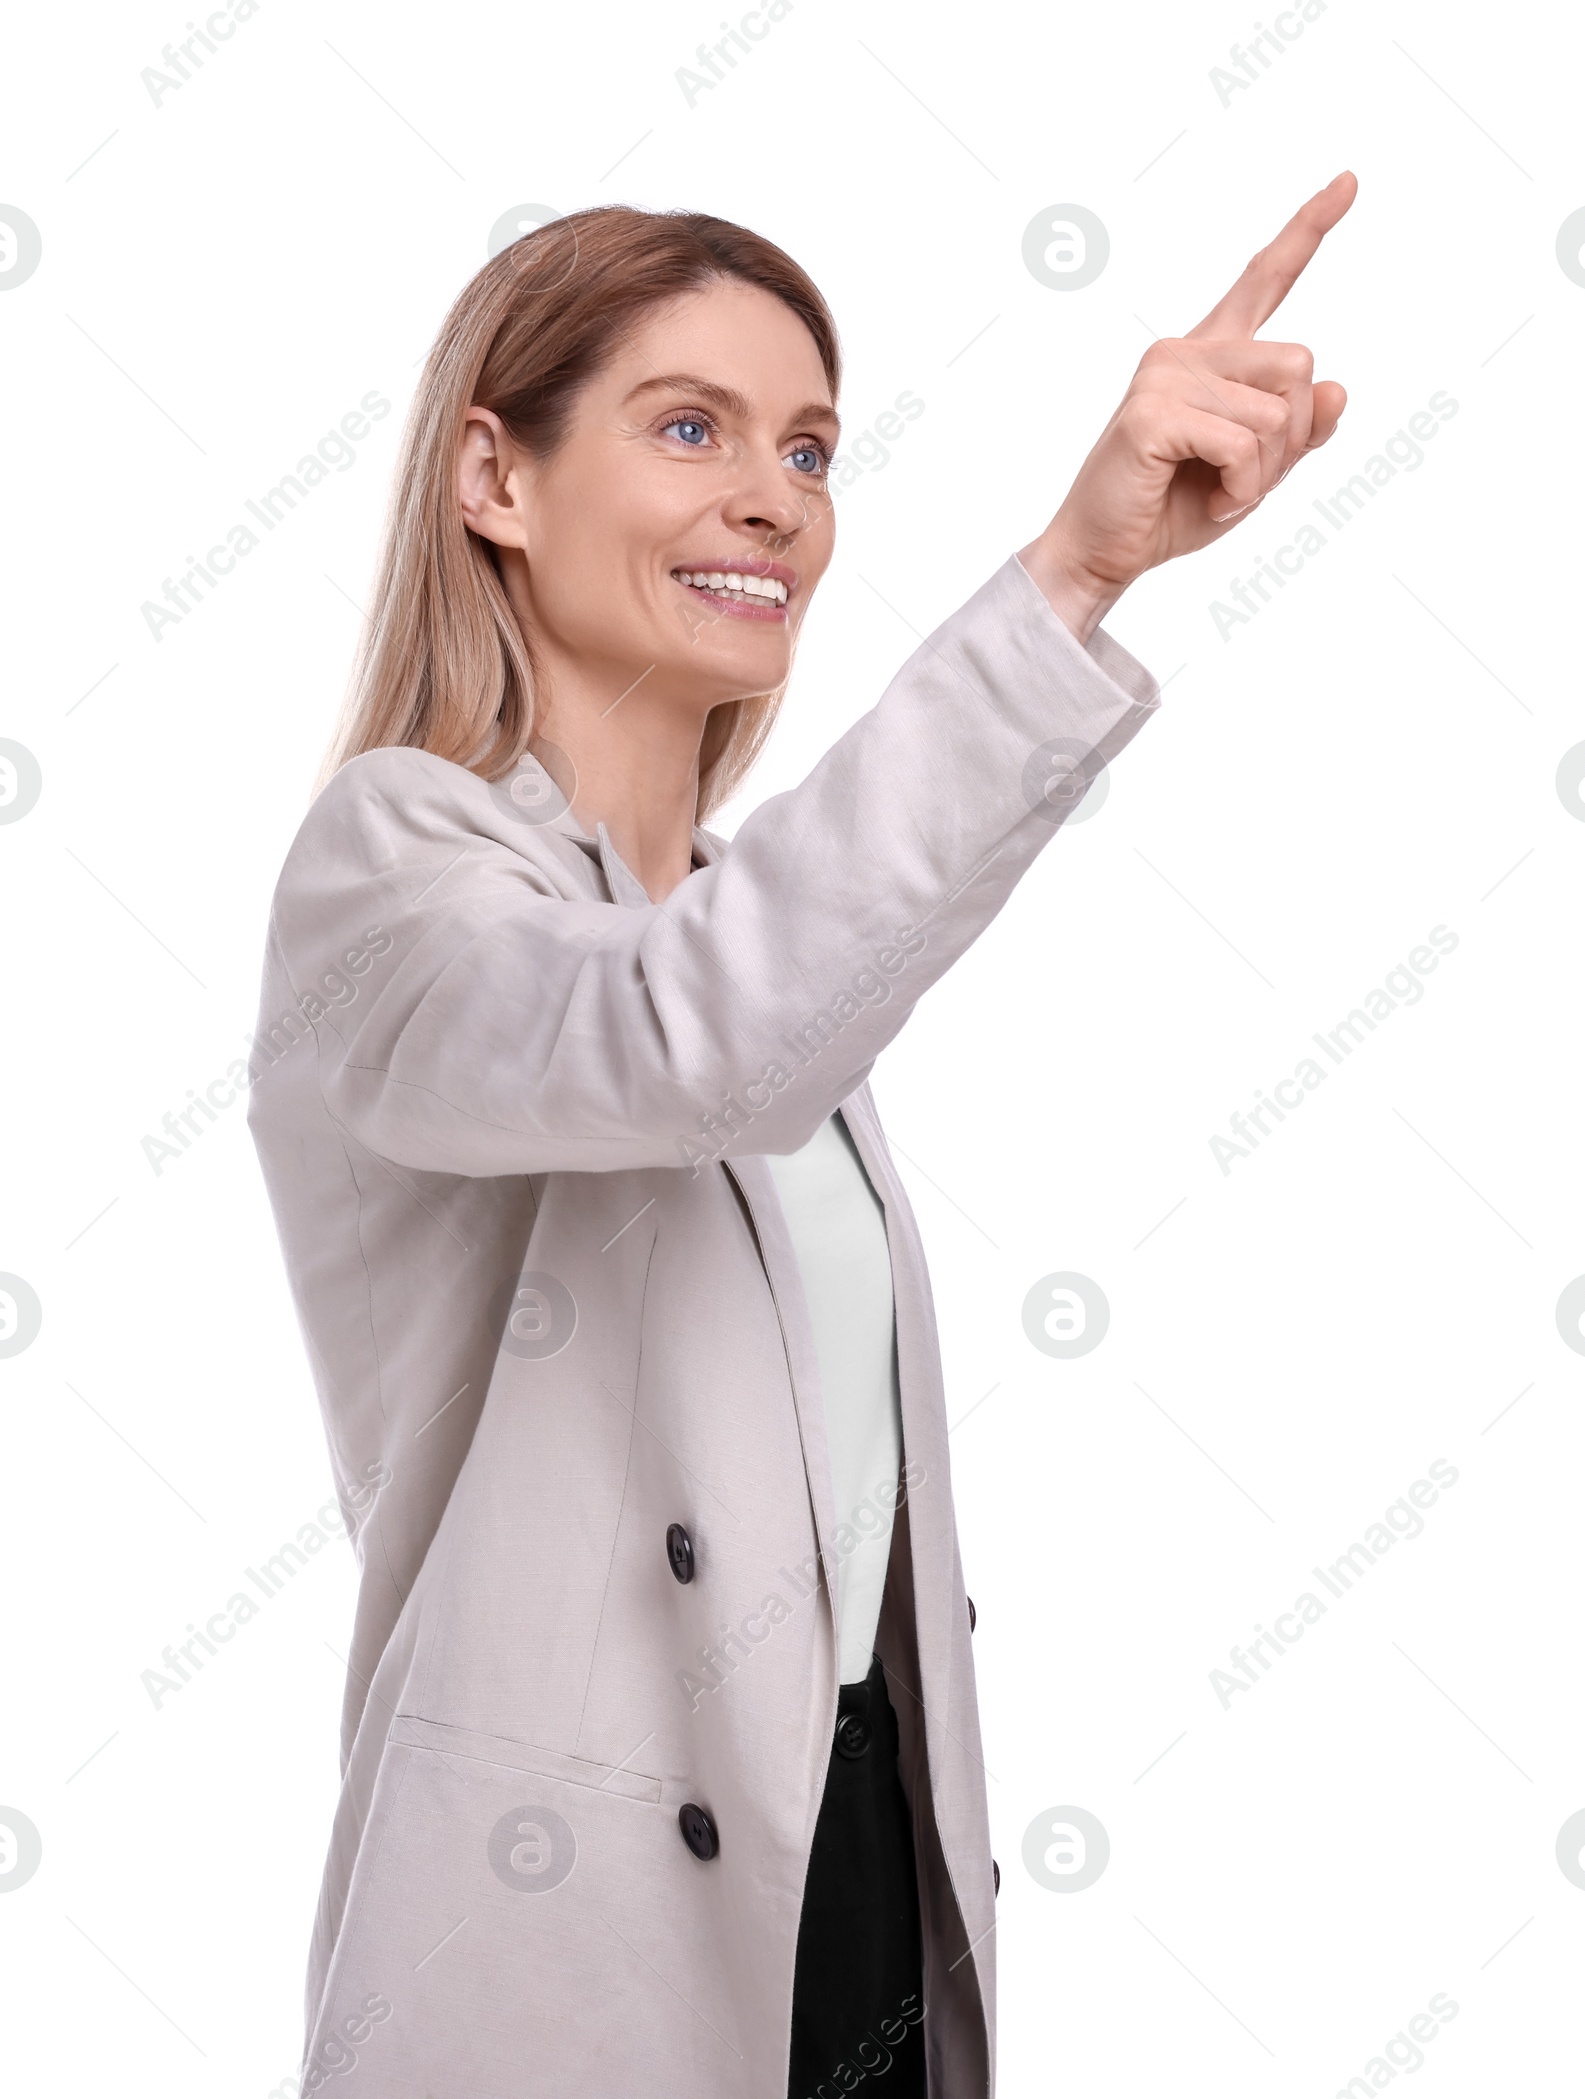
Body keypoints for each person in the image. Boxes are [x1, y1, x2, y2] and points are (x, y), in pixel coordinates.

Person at [248, 177, 1354, 2098]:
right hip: (560, 1927)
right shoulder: (395, 875)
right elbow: (684, 1037)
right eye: (691, 428)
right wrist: (1066, 582)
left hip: (847, 1864)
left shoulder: (772, 938)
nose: (777, 499)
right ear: (494, 478)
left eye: (813, 448)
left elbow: (744, 1007)